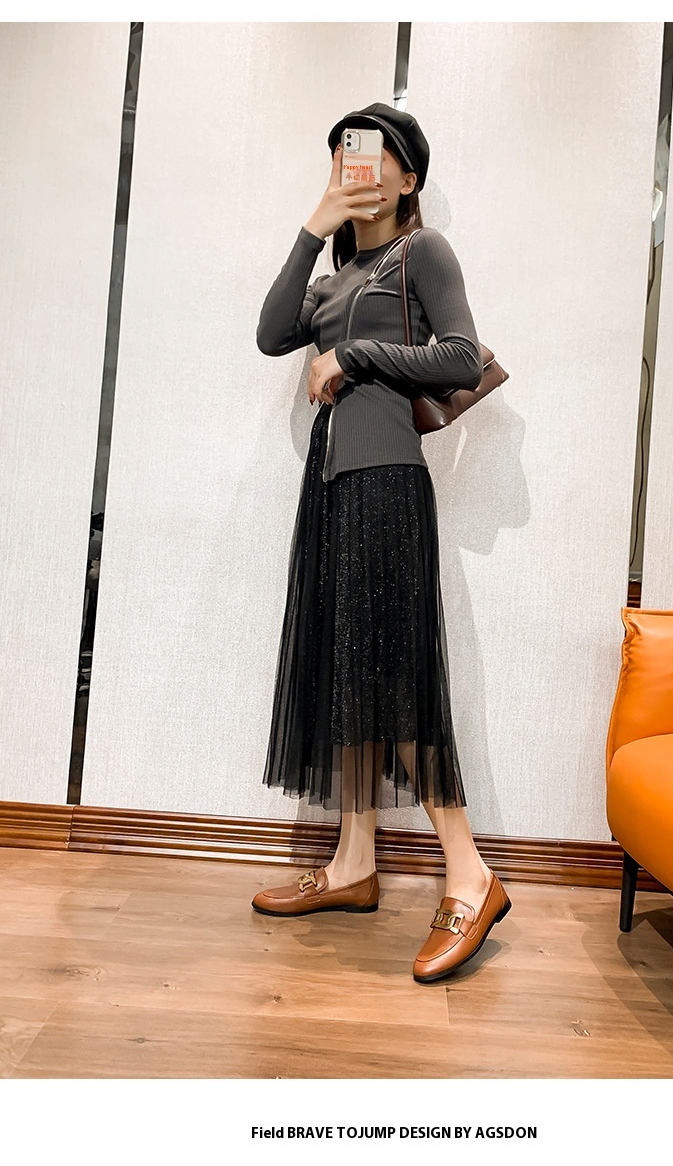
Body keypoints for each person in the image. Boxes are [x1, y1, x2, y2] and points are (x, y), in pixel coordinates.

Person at [252, 103, 510, 983]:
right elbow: (270, 333)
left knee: (394, 681)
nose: (354, 165)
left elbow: (462, 356)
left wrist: (357, 357)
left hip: (388, 485)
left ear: (407, 178)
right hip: (329, 490)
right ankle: (354, 864)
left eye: (372, 153)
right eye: (341, 155)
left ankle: (471, 876)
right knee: (348, 675)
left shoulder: (420, 253)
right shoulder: (334, 277)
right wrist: (312, 226)